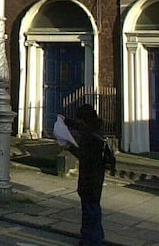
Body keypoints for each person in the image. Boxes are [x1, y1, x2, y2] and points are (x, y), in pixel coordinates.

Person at [62, 104, 112, 246]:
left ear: (85, 120)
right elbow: (80, 127)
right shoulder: (95, 131)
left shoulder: (91, 137)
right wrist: (65, 120)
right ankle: (90, 238)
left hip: (90, 179)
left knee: (91, 211)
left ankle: (93, 241)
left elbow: (85, 156)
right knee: (92, 209)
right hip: (95, 178)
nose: (80, 123)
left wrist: (69, 147)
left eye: (81, 120)